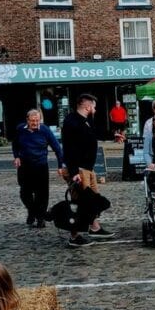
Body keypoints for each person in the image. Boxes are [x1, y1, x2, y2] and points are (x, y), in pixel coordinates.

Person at [61, 93, 117, 247]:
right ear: (87, 106)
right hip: (78, 170)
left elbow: (95, 133)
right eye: (94, 106)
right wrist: (74, 173)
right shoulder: (71, 122)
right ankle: (74, 236)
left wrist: (113, 134)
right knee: (80, 202)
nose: (95, 109)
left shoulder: (86, 121)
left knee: (92, 199)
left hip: (88, 168)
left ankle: (95, 227)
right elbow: (69, 149)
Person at [12, 109, 64, 228]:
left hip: (40, 165)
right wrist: (16, 157)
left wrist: (60, 165)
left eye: (37, 120)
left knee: (42, 194)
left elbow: (57, 148)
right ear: (27, 120)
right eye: (32, 121)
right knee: (25, 193)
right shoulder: (20, 129)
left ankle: (40, 218)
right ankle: (33, 211)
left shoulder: (45, 130)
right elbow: (15, 144)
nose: (35, 123)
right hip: (24, 166)